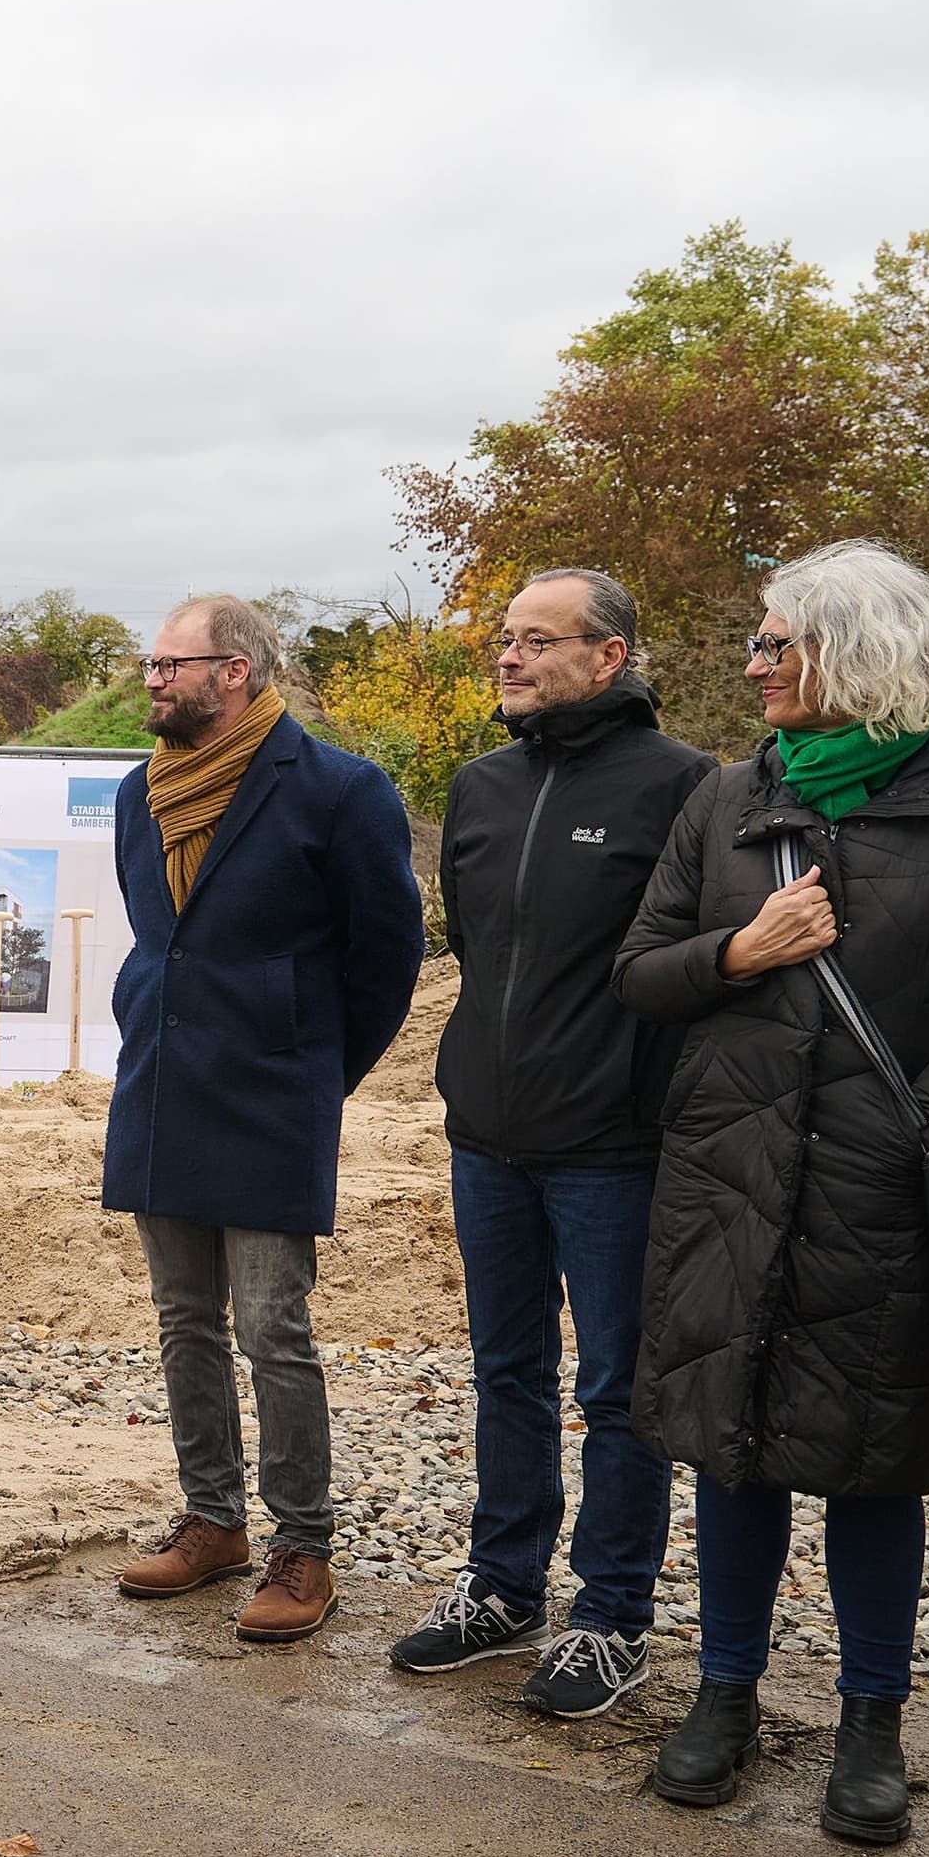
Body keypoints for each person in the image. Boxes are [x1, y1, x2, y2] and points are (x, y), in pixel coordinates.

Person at [620, 540, 929, 1846]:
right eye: (758, 641)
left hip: (878, 1184)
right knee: (731, 1444)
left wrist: (916, 1122)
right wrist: (737, 947)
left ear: (856, 651)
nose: (753, 662)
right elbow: (643, 969)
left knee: (876, 1465)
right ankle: (724, 1696)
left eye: (778, 641)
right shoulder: (727, 798)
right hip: (729, 1172)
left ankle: (873, 1724)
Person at [393, 570, 719, 1716]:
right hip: (488, 1137)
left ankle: (612, 1617)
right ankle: (502, 1587)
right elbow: (479, 950)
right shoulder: (479, 785)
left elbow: (692, 966)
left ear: (610, 657)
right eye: (506, 638)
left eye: (539, 640)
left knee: (621, 1387)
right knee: (507, 1372)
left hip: (615, 1148)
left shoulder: (687, 789)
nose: (510, 657)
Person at [103, 594, 427, 1644]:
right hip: (162, 1085)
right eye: (150, 663)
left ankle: (303, 1545)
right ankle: (213, 1522)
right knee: (182, 1321)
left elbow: (387, 956)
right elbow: (165, 941)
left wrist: (315, 1067)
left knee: (272, 1328)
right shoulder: (136, 792)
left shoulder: (338, 788)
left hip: (272, 1093)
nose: (154, 680)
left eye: (171, 664)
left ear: (234, 671)